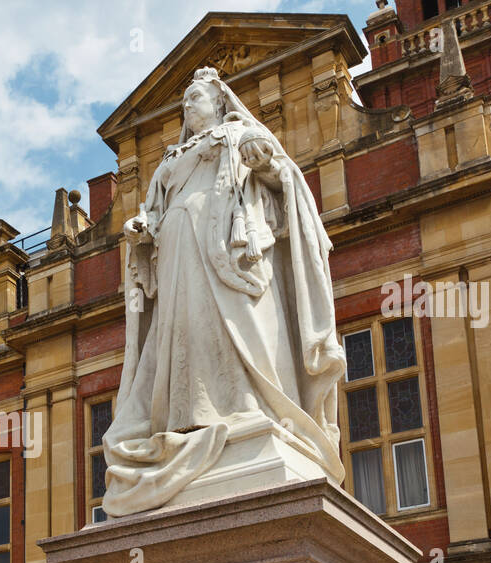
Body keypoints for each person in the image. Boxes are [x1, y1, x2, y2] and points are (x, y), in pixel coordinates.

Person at [105, 67, 346, 515]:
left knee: (238, 329)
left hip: (230, 253)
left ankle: (249, 411)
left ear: (218, 102)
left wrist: (267, 163)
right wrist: (143, 230)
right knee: (186, 335)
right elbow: (154, 214)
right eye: (184, 103)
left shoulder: (241, 134)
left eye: (194, 98)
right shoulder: (170, 161)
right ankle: (190, 419)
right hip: (176, 256)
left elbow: (284, 182)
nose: (187, 107)